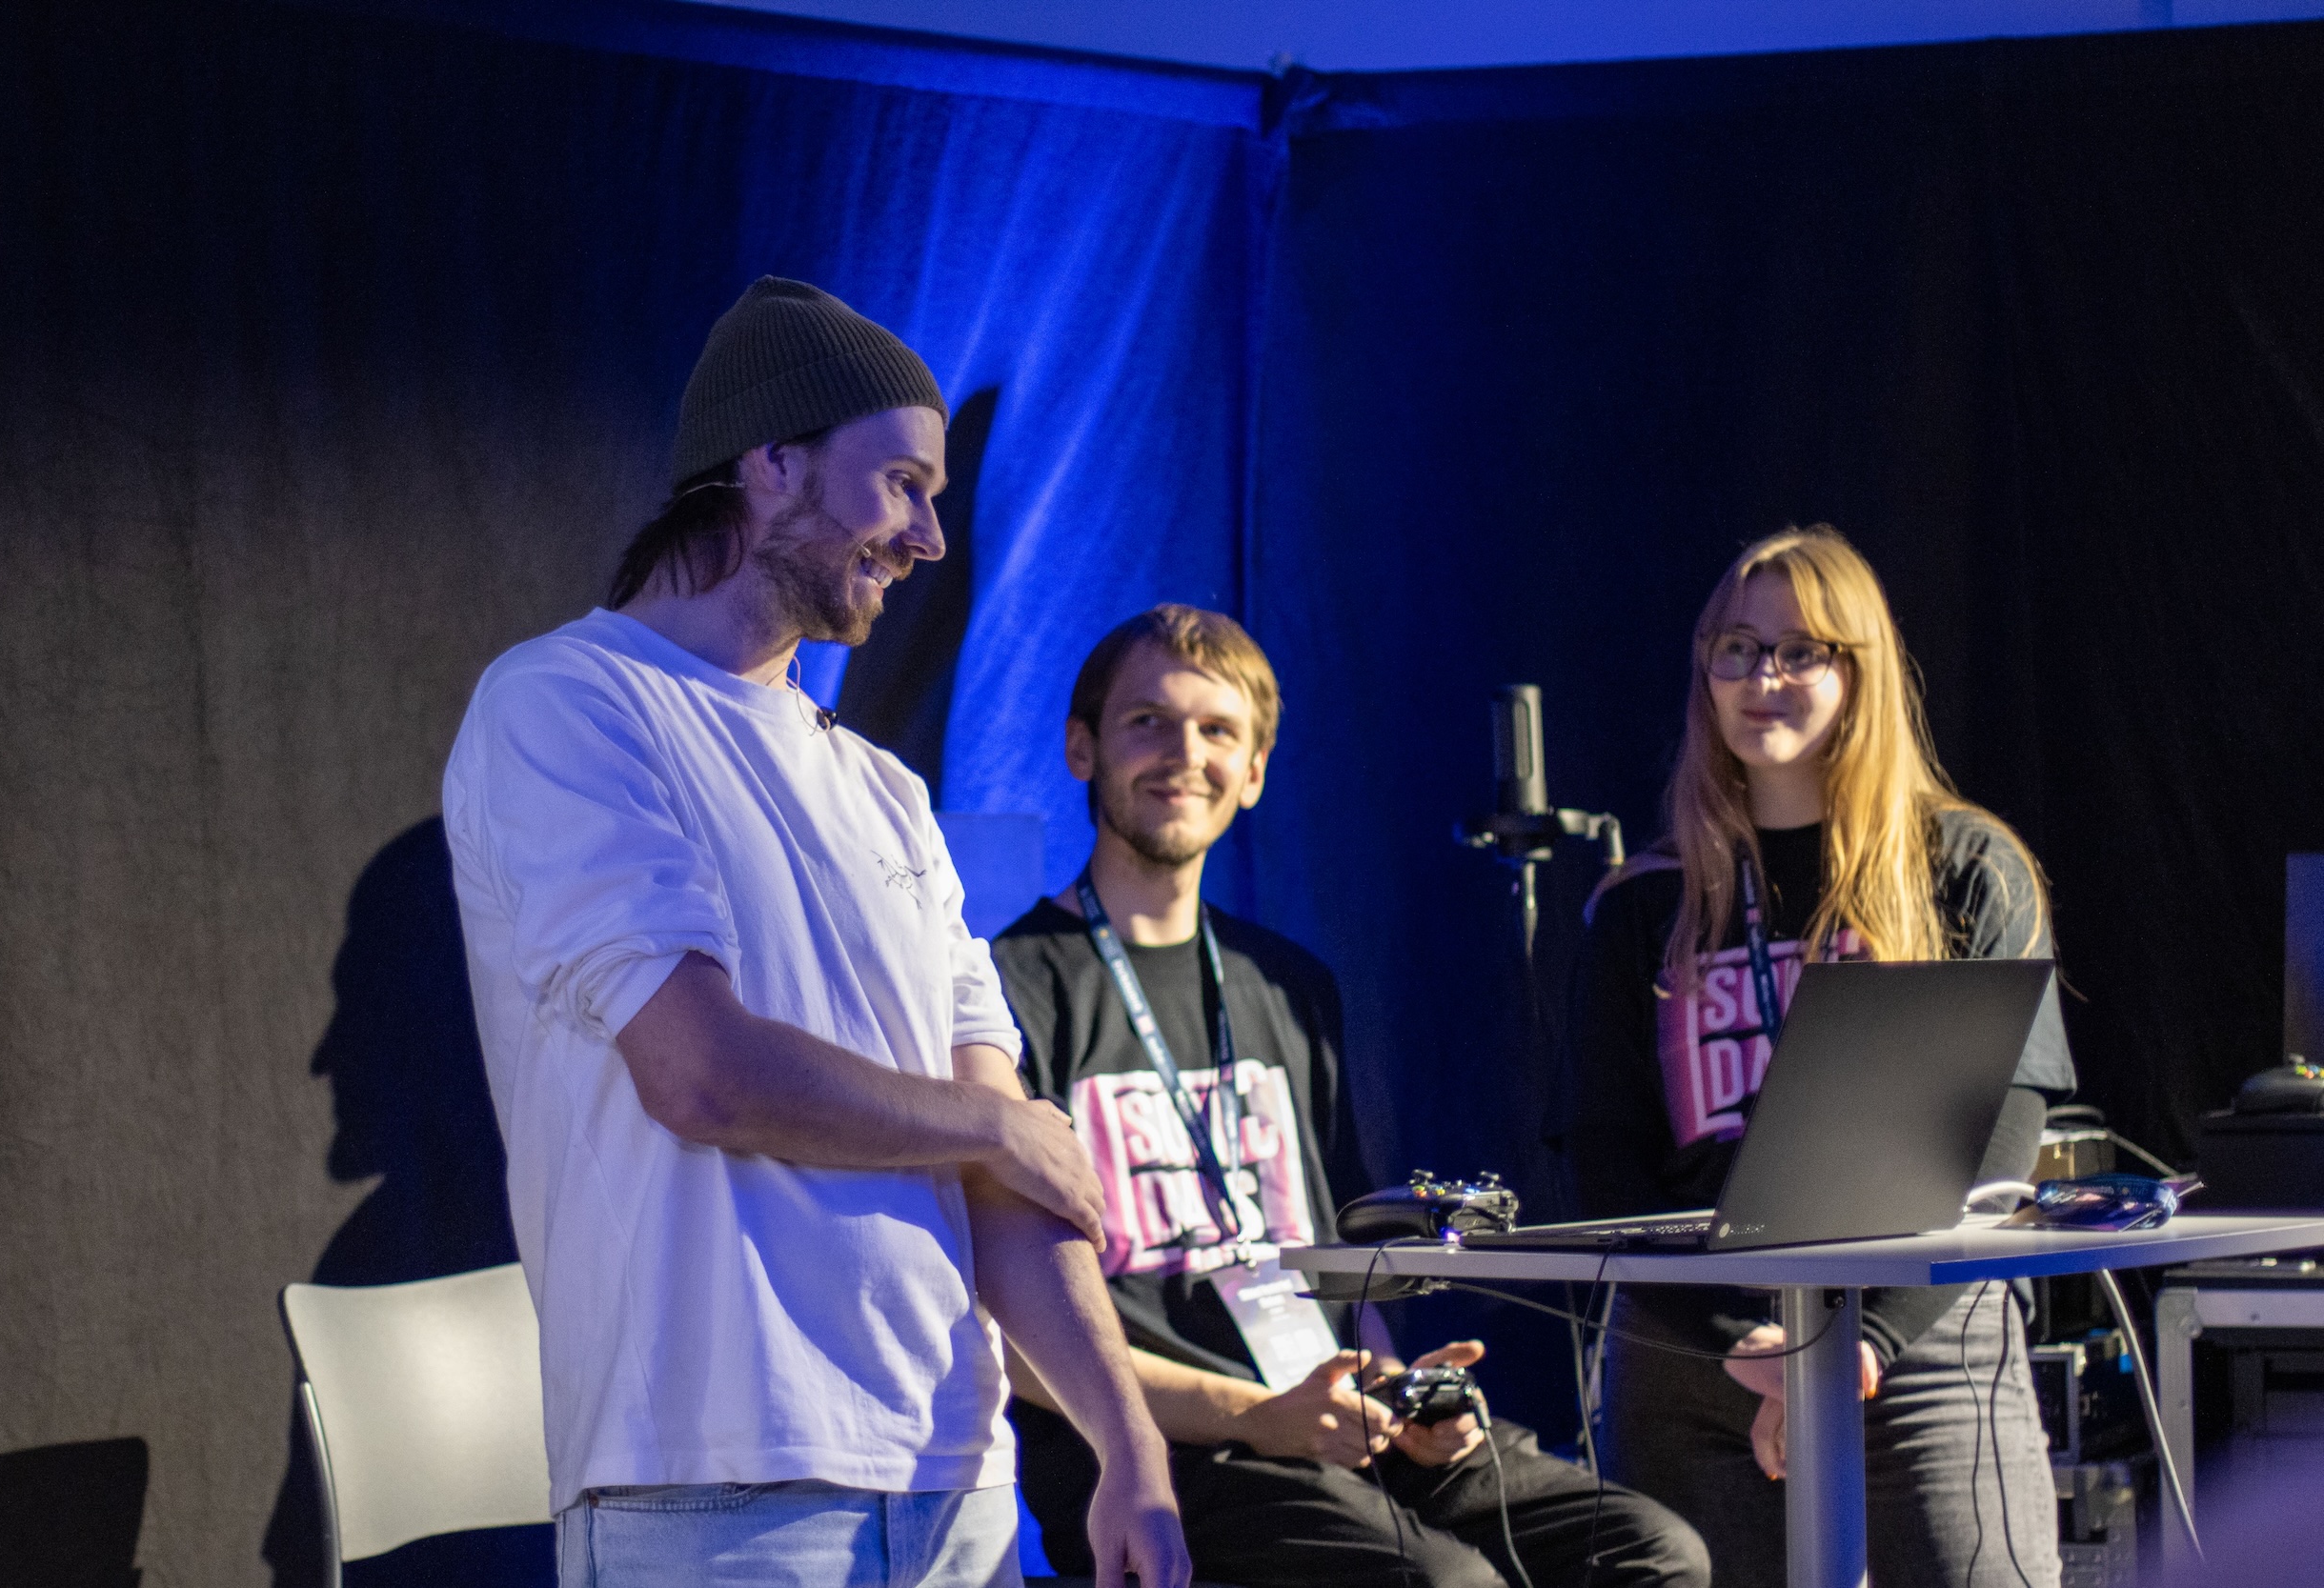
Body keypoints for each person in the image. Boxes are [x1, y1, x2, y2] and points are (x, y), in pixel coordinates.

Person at [443, 277, 1188, 1588]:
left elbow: (1010, 1183)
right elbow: (703, 1072)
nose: (930, 538)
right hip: (717, 1491)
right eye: (903, 483)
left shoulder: (886, 791)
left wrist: (1131, 1445)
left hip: (959, 1484)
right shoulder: (568, 702)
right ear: (771, 460)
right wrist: (993, 1123)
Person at [993, 604, 1710, 1588]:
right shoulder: (1011, 987)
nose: (1184, 754)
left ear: (1253, 772)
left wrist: (1399, 1392)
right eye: (1147, 721)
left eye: (1217, 730)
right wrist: (1257, 1415)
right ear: (1082, 746)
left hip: (1325, 1414)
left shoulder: (1287, 982)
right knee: (1448, 1584)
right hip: (1160, 1448)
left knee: (1650, 1551)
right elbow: (1013, 1324)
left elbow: (1342, 1251)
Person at [1572, 526, 2073, 1588]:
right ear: (1705, 671)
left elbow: (2000, 1139)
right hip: (1695, 1353)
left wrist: (1860, 1342)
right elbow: (1604, 1163)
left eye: (1802, 651)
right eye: (1739, 649)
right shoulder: (1639, 905)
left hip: (1917, 1337)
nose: (1765, 678)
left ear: (1860, 670)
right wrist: (1749, 1349)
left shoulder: (1966, 867)